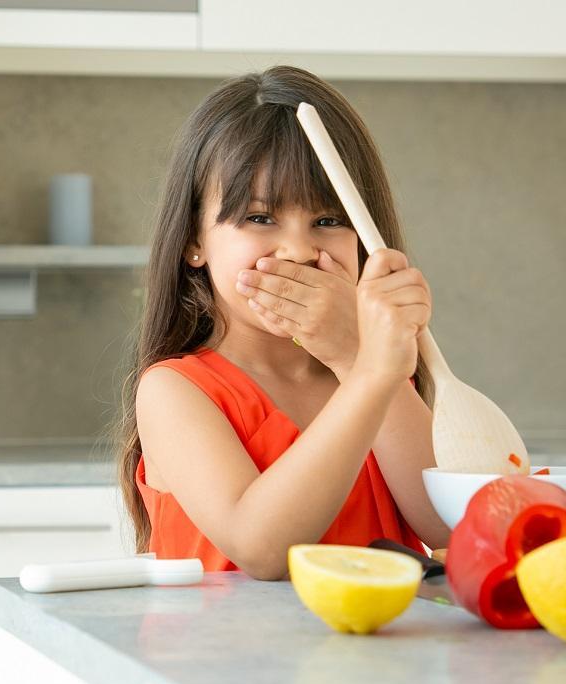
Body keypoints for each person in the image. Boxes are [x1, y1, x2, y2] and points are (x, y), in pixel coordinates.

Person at [116, 65, 447, 579]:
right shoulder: (173, 391)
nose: (297, 250)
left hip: (386, 656)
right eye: (260, 218)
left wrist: (360, 359)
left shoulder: (376, 376)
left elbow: (451, 526)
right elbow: (263, 549)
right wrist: (367, 371)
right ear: (193, 242)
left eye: (329, 221)